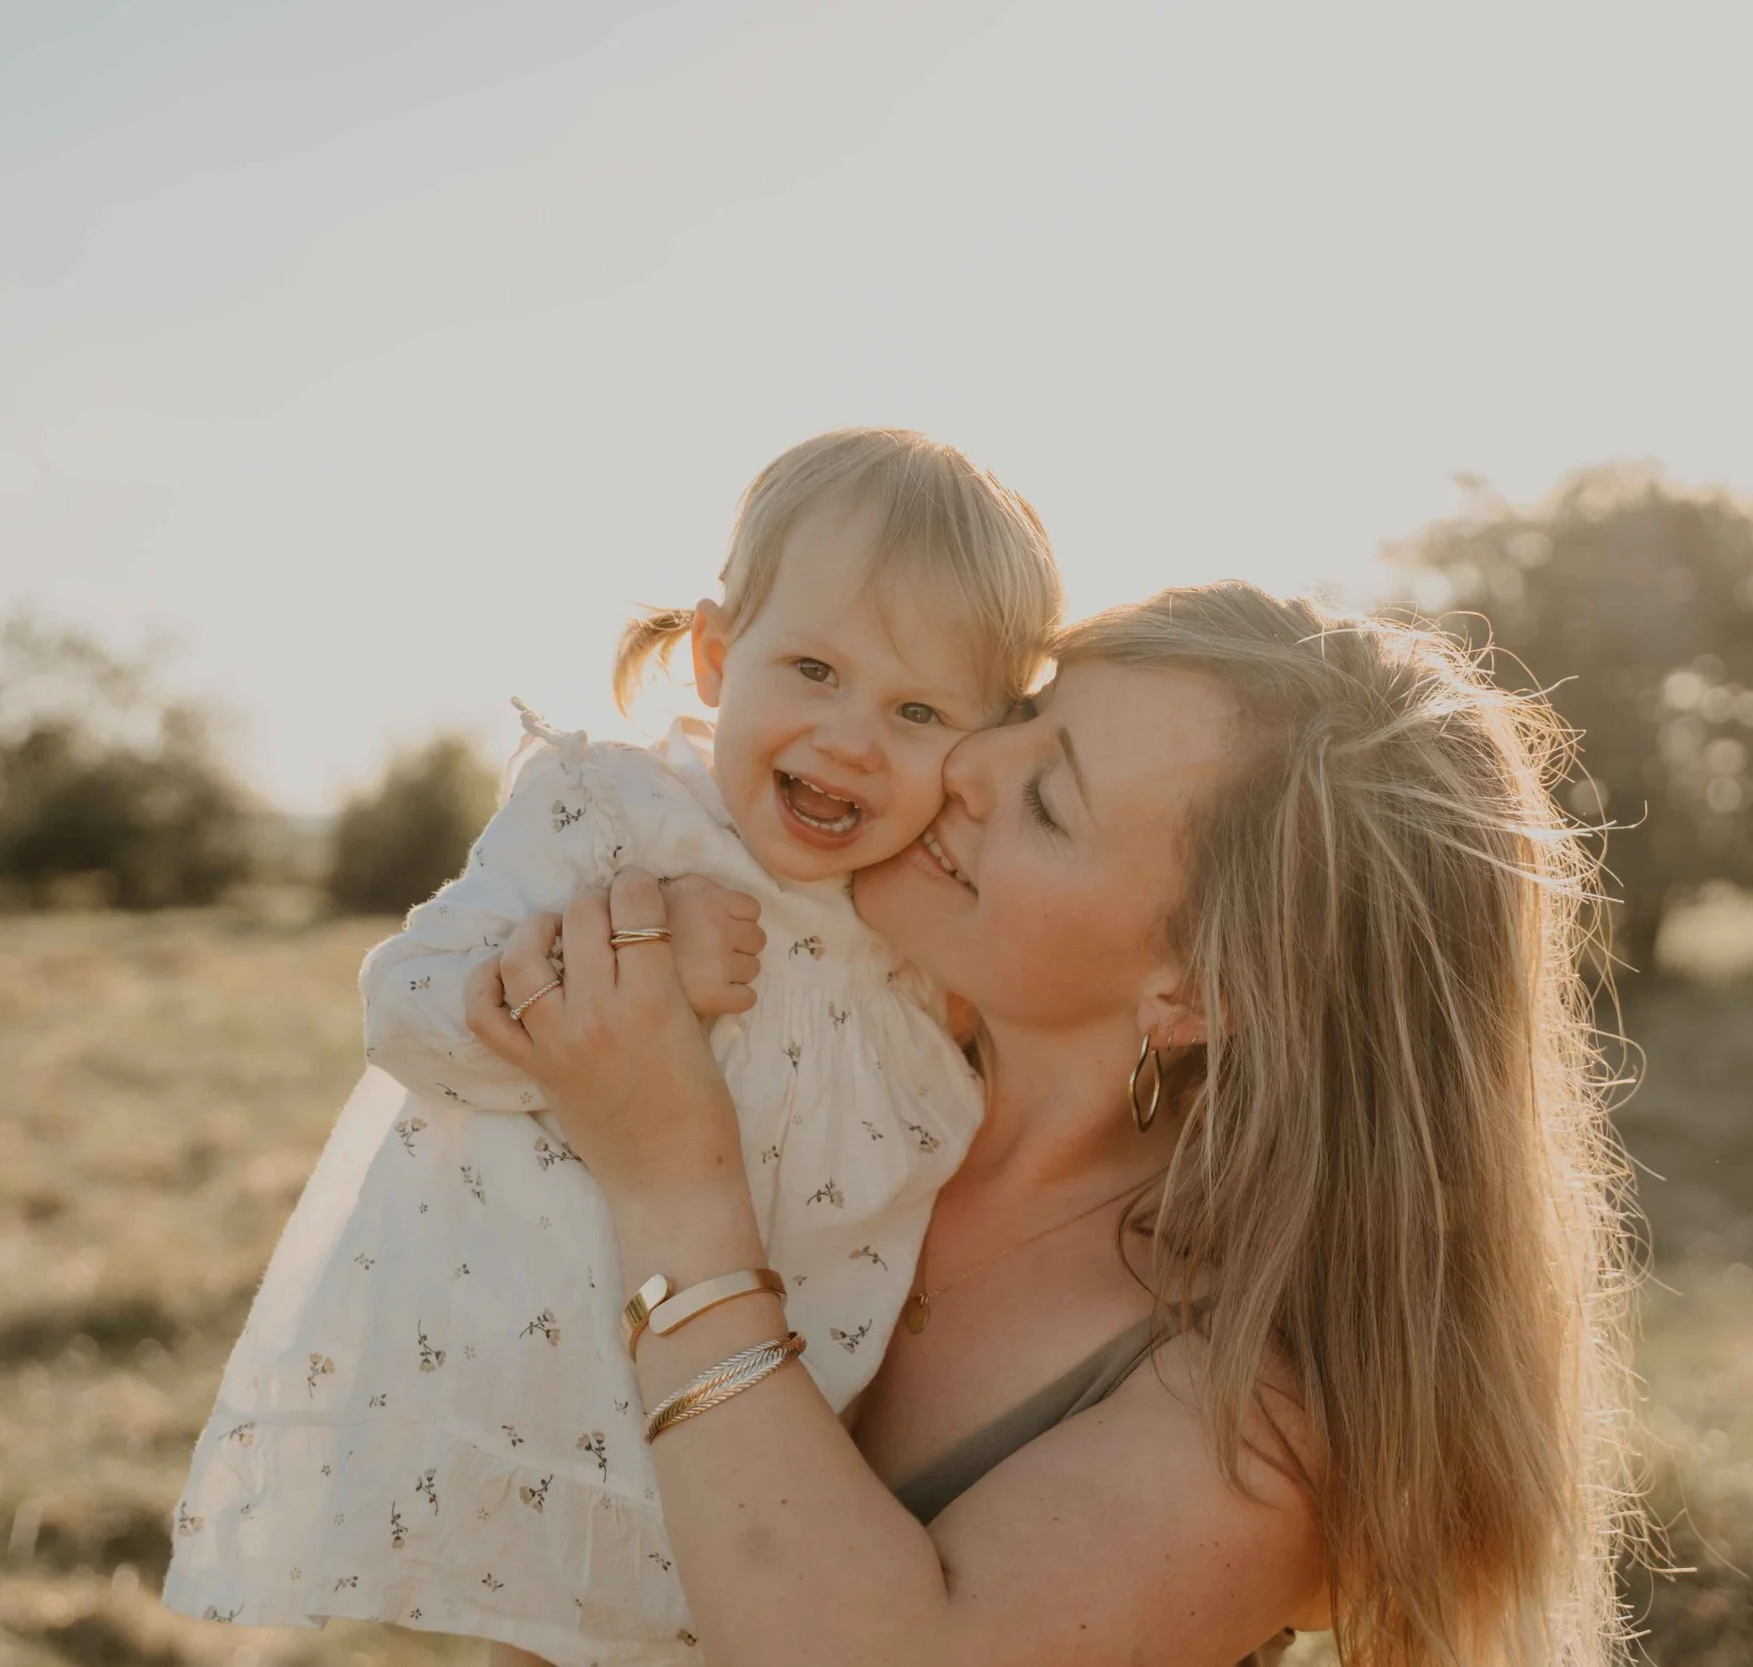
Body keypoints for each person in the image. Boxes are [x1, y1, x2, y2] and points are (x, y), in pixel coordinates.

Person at [467, 582, 1636, 1667]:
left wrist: (671, 1185)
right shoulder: (813, 1057)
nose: (967, 760)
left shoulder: (1257, 1415)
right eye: (1025, 711)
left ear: (1196, 991)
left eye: (1044, 798)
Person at [162, 429, 1063, 1665]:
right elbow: (406, 1002)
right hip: (540, 1382)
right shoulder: (616, 816)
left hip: (768, 1430)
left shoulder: (909, 908)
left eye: (916, 709)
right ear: (714, 651)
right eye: (812, 668)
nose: (852, 738)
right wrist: (623, 971)